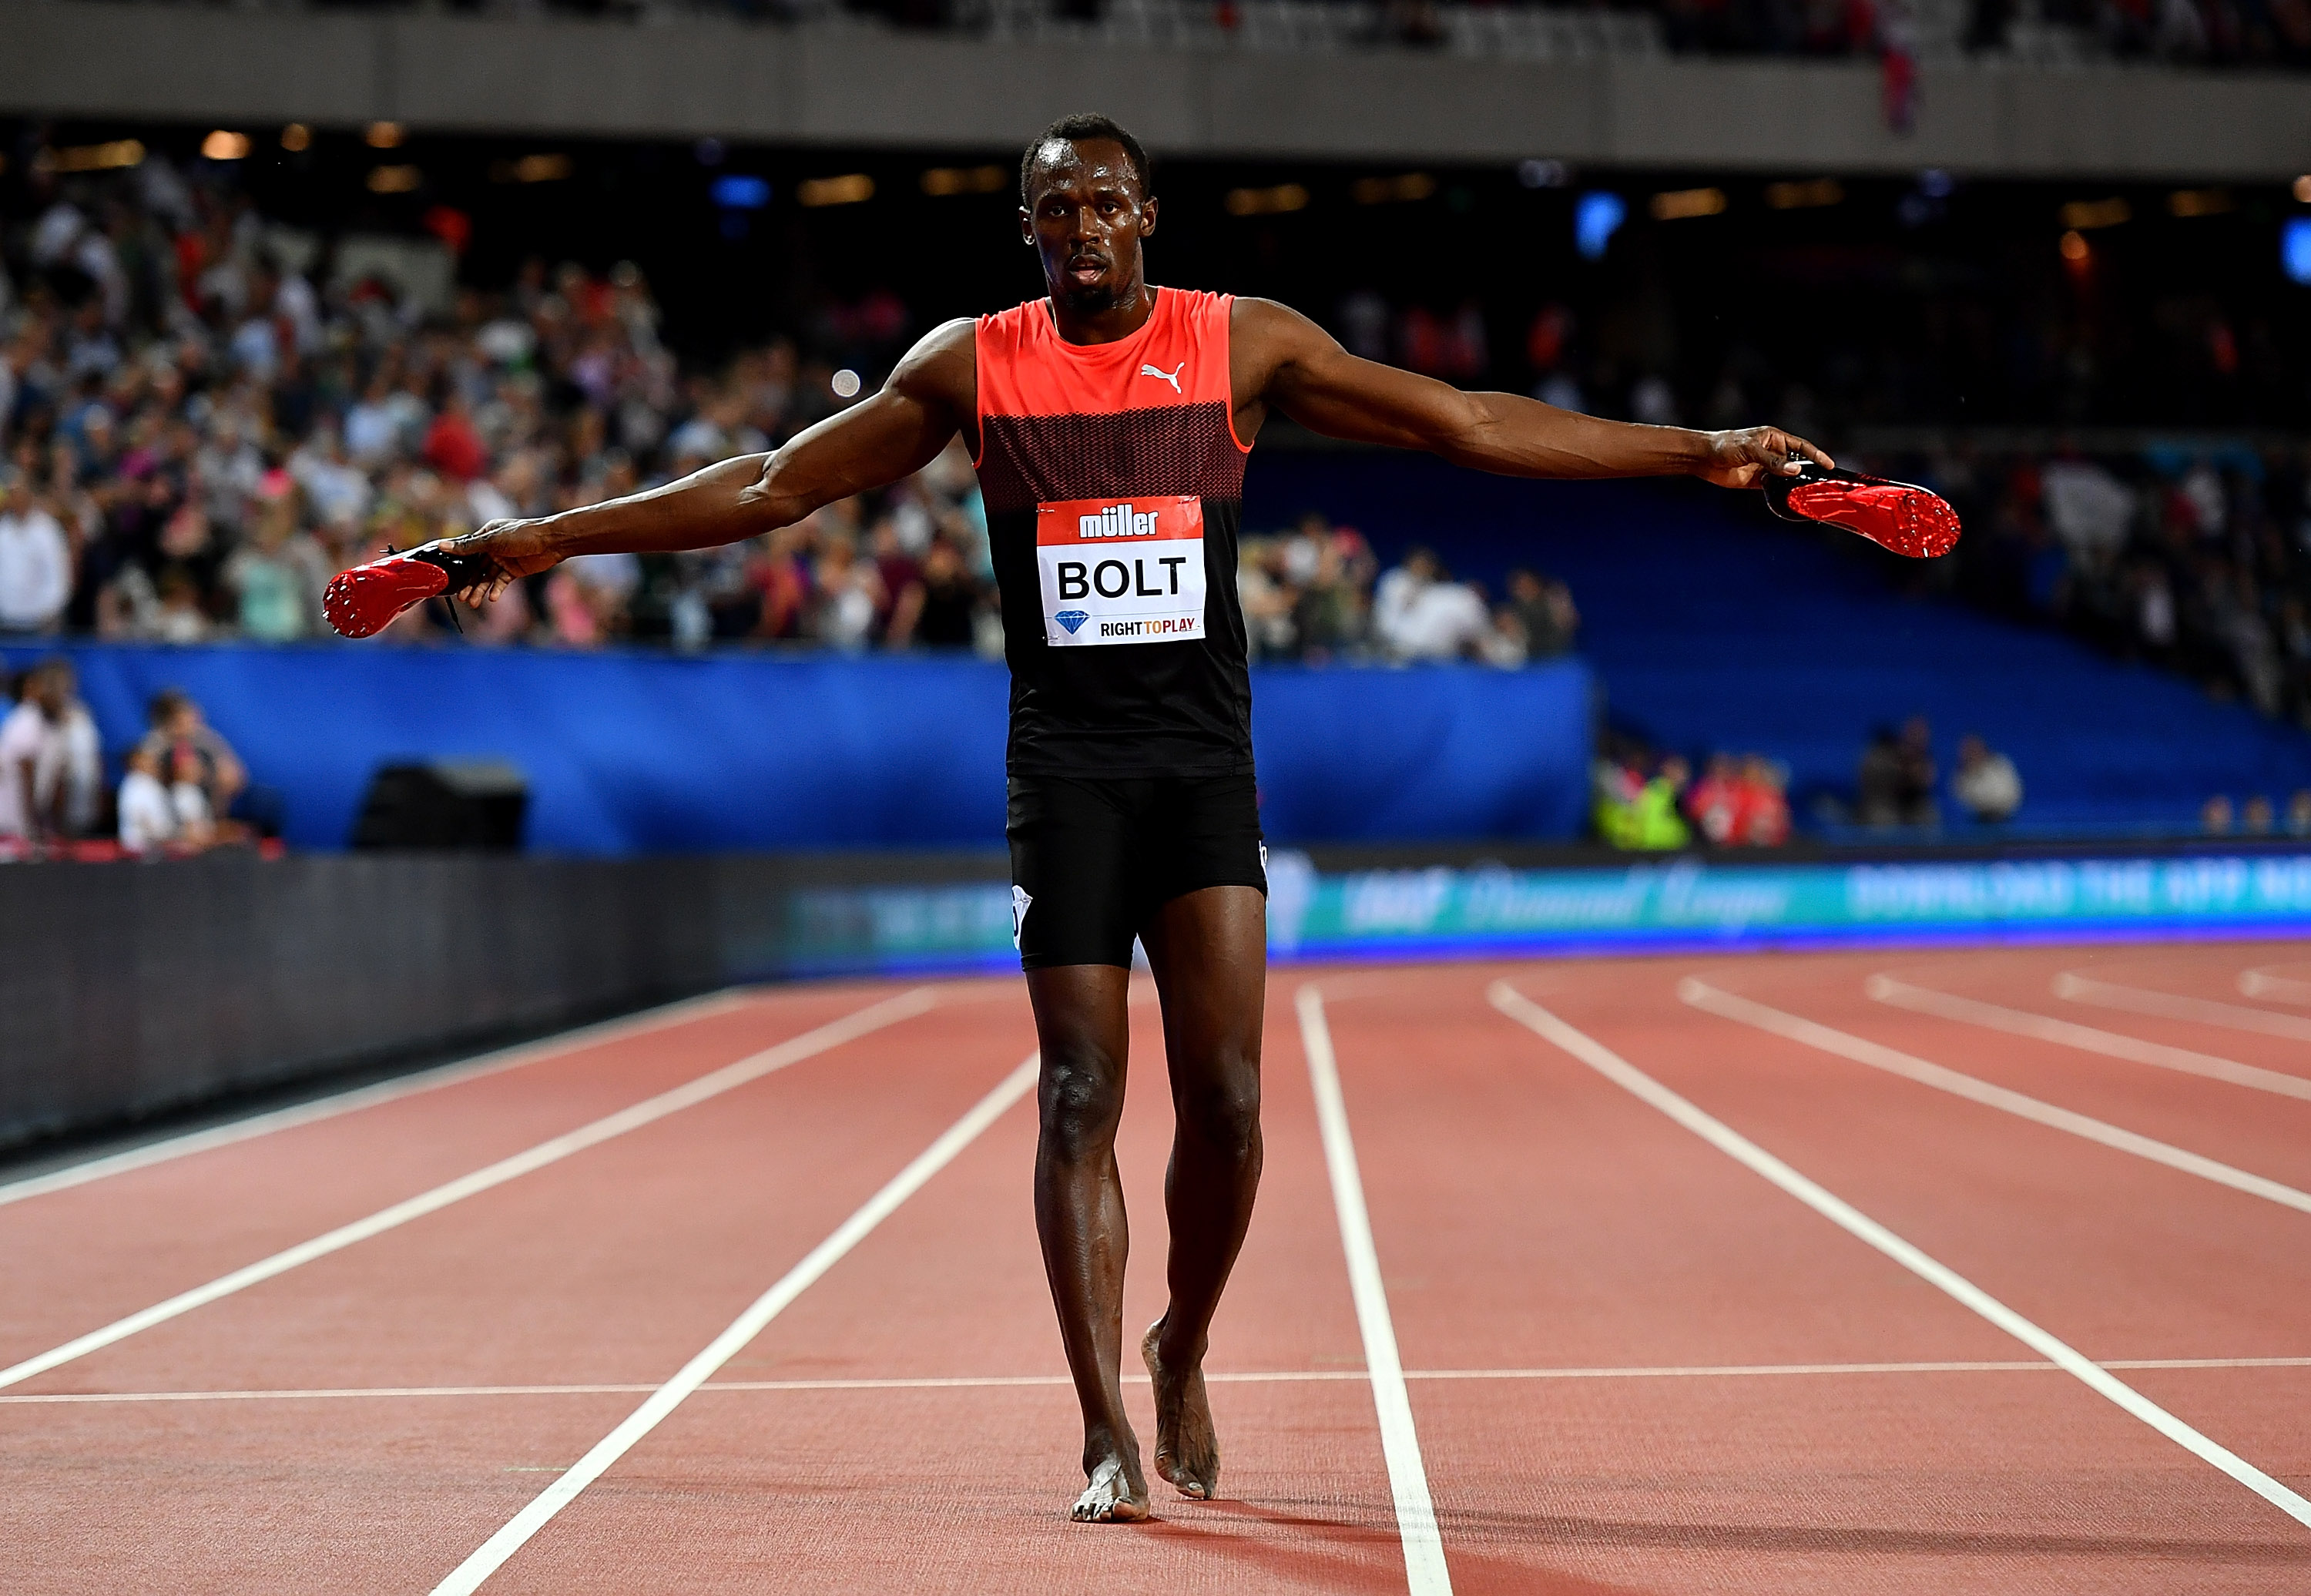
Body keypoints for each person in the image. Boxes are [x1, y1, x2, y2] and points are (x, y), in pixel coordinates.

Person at [432, 112, 1830, 1524]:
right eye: (1056, 208)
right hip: (1067, 777)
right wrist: (551, 534)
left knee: (1225, 1104)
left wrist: (1695, 451)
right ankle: (1103, 1423)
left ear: (1148, 216)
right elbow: (777, 482)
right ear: (1028, 230)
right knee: (1079, 1093)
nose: (1083, 227)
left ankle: (1183, 1342)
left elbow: (1467, 421)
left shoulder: (1244, 345)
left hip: (1204, 771)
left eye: (1106, 203)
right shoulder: (971, 365)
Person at [117, 744, 177, 854]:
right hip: (140, 844)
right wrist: (162, 835)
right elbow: (138, 815)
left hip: (157, 842)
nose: (152, 762)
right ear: (135, 761)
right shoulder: (135, 783)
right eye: (146, 759)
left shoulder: (152, 783)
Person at [1952, 733, 2023, 823]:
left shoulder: (2000, 765)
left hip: (2004, 818)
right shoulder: (1959, 776)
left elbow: (2009, 796)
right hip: (1973, 821)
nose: (1971, 754)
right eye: (1967, 751)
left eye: (1974, 749)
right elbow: (1962, 802)